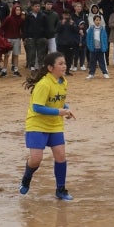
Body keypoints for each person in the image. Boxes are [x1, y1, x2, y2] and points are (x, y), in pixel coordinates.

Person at [20, 52, 75, 200]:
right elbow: (37, 107)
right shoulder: (43, 84)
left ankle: (61, 190)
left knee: (61, 156)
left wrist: (66, 109)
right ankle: (27, 177)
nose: (64, 66)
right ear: (50, 68)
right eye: (60, 64)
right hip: (36, 125)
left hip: (55, 125)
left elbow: (58, 100)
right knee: (36, 159)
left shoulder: (63, 81)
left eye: (65, 63)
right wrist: (59, 112)